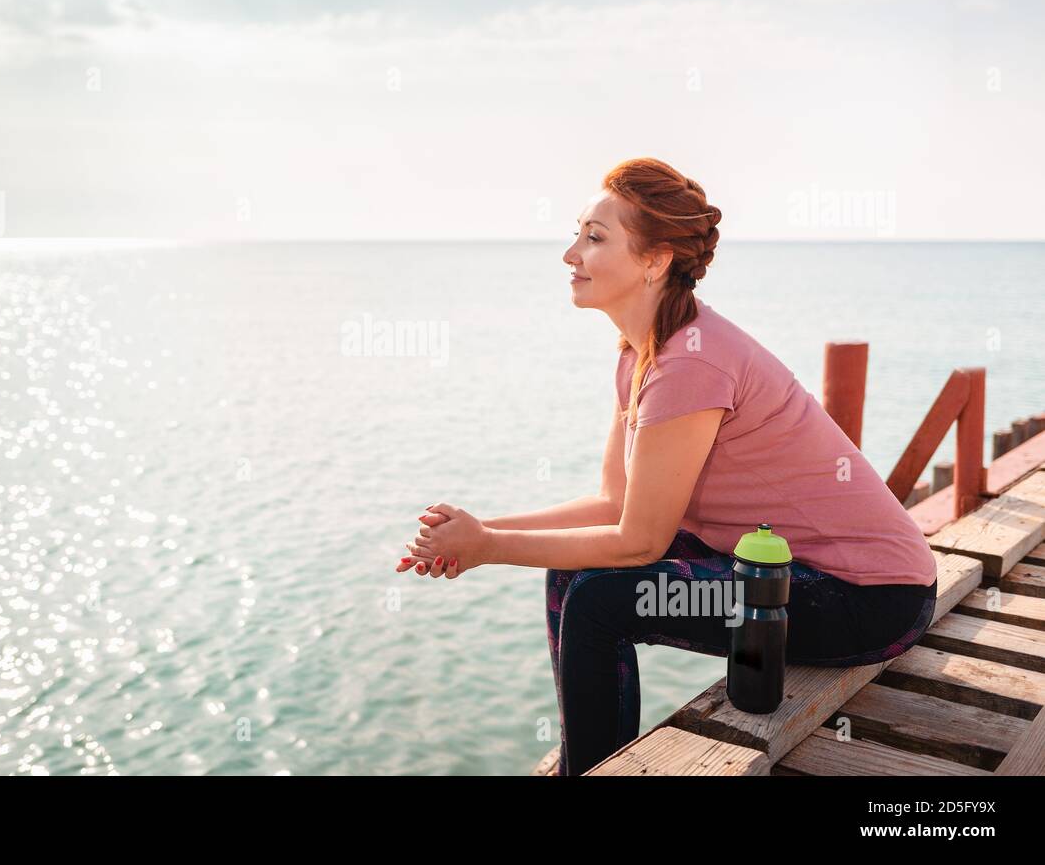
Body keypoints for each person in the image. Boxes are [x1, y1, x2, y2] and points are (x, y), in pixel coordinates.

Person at [395, 157, 938, 776]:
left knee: (601, 597)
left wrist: (487, 547)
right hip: (786, 574)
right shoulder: (643, 354)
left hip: (866, 600)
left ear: (655, 261)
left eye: (595, 238)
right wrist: (477, 531)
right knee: (569, 571)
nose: (570, 253)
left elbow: (637, 541)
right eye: (577, 233)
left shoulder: (690, 365)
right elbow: (611, 504)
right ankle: (589, 763)